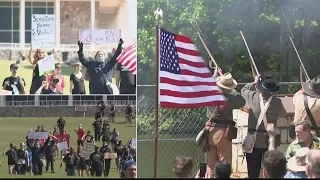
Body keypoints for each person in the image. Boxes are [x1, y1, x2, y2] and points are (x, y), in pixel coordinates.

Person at [241, 75, 286, 178]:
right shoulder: (277, 102)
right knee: (271, 172)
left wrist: (254, 83)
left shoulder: (253, 96)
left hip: (253, 142)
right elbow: (283, 114)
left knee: (252, 173)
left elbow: (243, 90)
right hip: (269, 141)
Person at [206, 71, 245, 177]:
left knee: (210, 164)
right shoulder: (229, 98)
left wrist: (215, 75)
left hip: (210, 131)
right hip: (223, 133)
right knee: (224, 165)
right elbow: (242, 101)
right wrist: (233, 89)